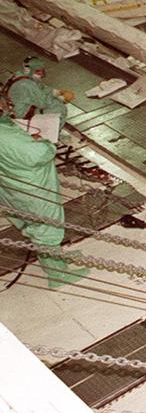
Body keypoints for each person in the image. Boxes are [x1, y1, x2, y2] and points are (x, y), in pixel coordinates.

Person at [0, 112, 84, 287]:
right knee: (47, 228)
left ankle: (57, 259)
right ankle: (57, 276)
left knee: (34, 224)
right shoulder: (5, 135)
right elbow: (37, 155)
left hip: (11, 186)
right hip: (32, 187)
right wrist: (45, 142)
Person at [7, 56, 72, 131]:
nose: (41, 74)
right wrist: (60, 98)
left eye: (42, 71)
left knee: (54, 103)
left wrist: (56, 92)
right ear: (30, 70)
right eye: (38, 71)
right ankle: (52, 133)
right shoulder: (26, 84)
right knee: (58, 107)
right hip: (22, 114)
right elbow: (43, 103)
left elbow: (40, 87)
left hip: (19, 107)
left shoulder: (20, 76)